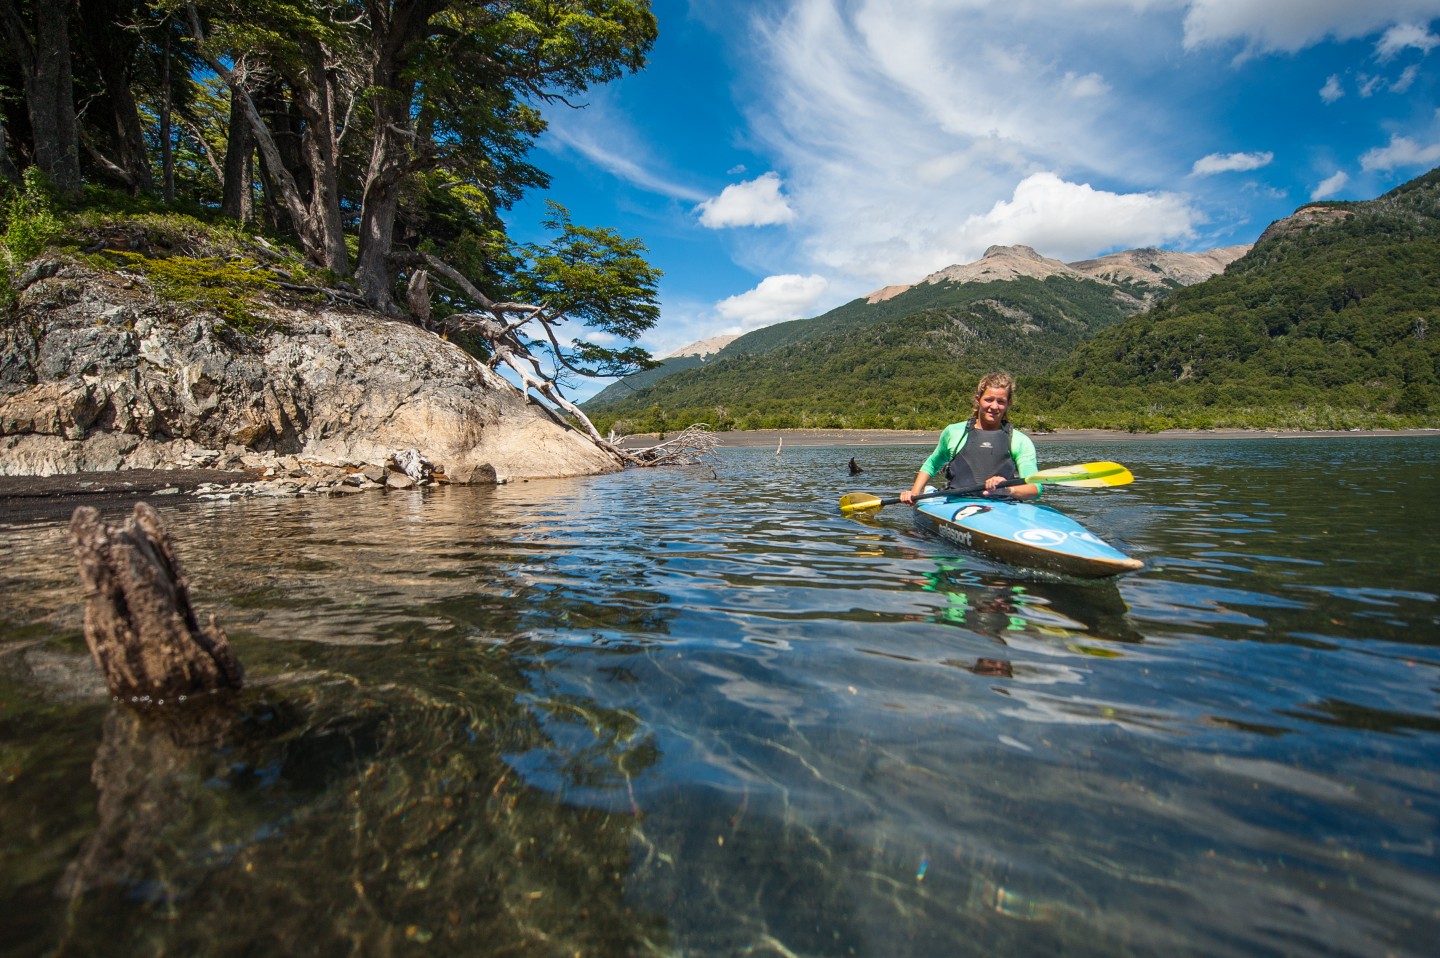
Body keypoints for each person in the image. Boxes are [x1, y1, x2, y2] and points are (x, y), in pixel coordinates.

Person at [899, 372, 1041, 504]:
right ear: (978, 399)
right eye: (989, 400)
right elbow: (932, 464)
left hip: (1003, 505)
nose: (994, 406)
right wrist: (915, 492)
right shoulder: (955, 432)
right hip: (957, 504)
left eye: (1001, 401)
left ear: (1008, 403)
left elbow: (1035, 489)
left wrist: (1007, 489)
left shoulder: (1019, 441)